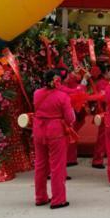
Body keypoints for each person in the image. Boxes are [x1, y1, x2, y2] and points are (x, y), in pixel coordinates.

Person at [33, 69, 75, 209]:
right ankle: (58, 199)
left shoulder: (37, 94)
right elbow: (70, 118)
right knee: (57, 166)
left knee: (40, 165)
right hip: (56, 131)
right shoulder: (63, 97)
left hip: (39, 130)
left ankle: (40, 197)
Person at [91, 63, 110, 169]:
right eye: (109, 71)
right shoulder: (102, 83)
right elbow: (103, 97)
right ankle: (97, 160)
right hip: (104, 112)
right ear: (105, 72)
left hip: (108, 112)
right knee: (102, 137)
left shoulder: (106, 82)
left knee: (106, 136)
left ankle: (102, 157)